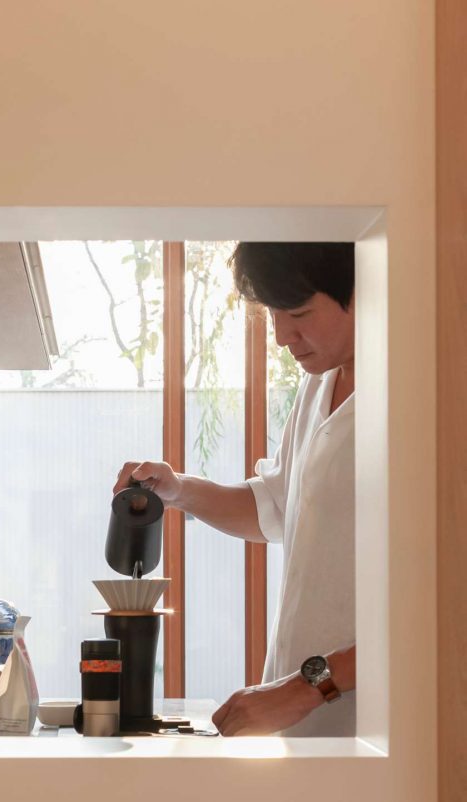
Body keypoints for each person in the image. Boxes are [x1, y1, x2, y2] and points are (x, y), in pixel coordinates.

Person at [112, 243, 357, 737]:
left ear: (362, 292)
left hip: (379, 724)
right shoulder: (319, 383)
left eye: (298, 314)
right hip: (302, 718)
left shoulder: (425, 397)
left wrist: (304, 689)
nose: (282, 336)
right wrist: (178, 489)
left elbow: (440, 607)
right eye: (272, 314)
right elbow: (275, 508)